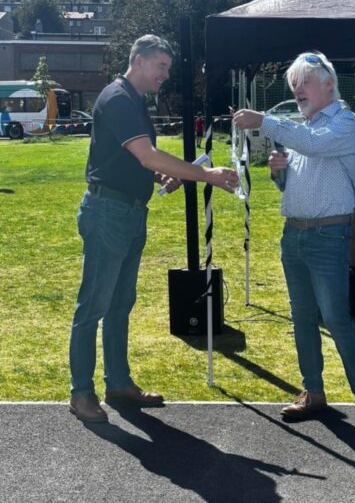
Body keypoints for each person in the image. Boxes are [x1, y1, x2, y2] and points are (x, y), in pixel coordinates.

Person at [69, 34, 238, 423]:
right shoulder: (119, 98)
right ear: (140, 60)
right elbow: (146, 154)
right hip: (108, 213)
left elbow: (138, 160)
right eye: (161, 66)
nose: (165, 75)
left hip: (127, 212)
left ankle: (118, 383)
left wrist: (165, 174)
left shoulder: (133, 100)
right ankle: (81, 392)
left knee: (119, 304)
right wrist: (205, 175)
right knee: (93, 305)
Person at [233, 51, 355, 431]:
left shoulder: (345, 124)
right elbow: (294, 185)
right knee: (302, 317)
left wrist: (266, 121)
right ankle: (313, 391)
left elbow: (315, 145)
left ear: (329, 83)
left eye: (303, 82)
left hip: (327, 236)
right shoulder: (306, 127)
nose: (297, 90)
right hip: (295, 235)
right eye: (293, 85)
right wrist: (278, 174)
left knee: (335, 318)